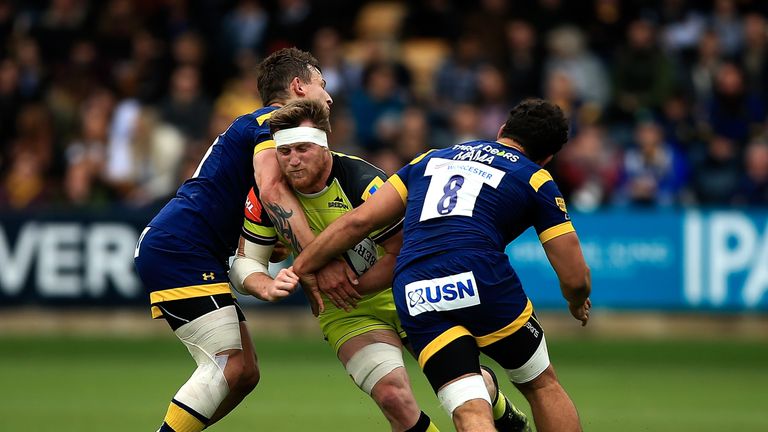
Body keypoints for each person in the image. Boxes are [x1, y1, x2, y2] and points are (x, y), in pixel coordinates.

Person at [230, 98, 532, 432]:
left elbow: (403, 253)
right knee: (392, 397)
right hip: (348, 312)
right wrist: (266, 285)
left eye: (302, 149)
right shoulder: (267, 196)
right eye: (284, 153)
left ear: (324, 147)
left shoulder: (365, 183)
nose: (293, 161)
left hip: (405, 293)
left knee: (467, 387)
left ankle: (500, 406)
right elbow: (245, 264)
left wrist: (346, 284)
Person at [293, 98, 592, 432]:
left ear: (502, 130)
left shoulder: (430, 158)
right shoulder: (535, 178)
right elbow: (574, 275)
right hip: (480, 277)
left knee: (468, 408)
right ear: (547, 157)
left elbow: (357, 222)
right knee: (540, 384)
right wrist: (576, 301)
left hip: (416, 288)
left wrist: (303, 266)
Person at [133, 47, 338, 432]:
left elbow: (263, 210)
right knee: (228, 364)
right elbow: (272, 187)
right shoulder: (271, 122)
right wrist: (320, 259)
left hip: (190, 248)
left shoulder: (261, 126)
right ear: (298, 86)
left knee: (244, 374)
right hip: (181, 247)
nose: (328, 96)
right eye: (321, 85)